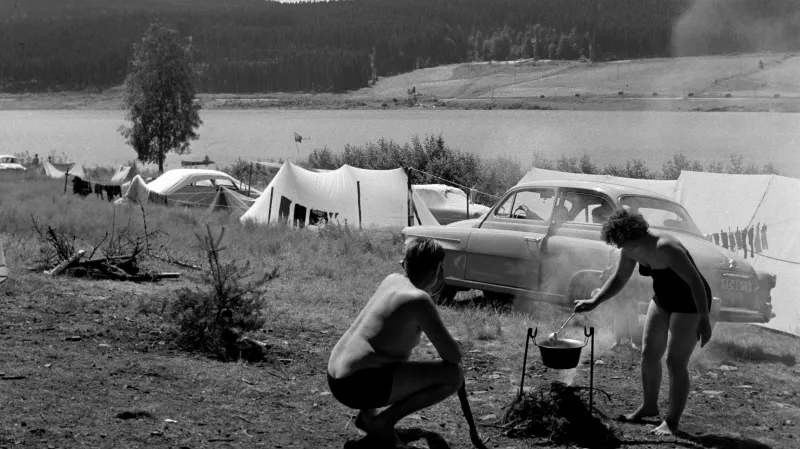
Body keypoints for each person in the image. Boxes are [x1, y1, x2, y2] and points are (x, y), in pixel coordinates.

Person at [574, 209, 712, 437]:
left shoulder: (666, 246)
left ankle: (671, 422)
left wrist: (704, 319)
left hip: (690, 302)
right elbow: (619, 278)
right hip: (663, 298)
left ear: (633, 233)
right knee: (649, 354)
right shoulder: (630, 249)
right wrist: (594, 301)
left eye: (621, 241)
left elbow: (695, 282)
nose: (619, 246)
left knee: (675, 362)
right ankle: (649, 406)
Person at [327, 237, 464, 448]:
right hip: (355, 385)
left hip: (336, 376)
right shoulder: (419, 299)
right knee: (454, 375)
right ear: (436, 271)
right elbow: (453, 356)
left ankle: (367, 417)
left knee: (380, 352)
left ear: (405, 263)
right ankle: (384, 422)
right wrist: (455, 345)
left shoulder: (392, 280)